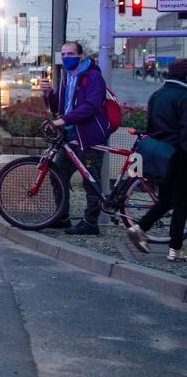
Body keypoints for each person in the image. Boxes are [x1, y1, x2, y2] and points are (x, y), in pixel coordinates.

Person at [39, 41, 111, 235]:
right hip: (69, 137)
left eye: (70, 53)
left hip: (89, 137)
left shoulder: (93, 77)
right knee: (57, 173)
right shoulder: (65, 77)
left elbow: (91, 106)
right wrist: (47, 93)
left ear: (80, 56)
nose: (66, 57)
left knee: (91, 182)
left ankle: (90, 223)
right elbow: (57, 107)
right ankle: (61, 217)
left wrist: (63, 121)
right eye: (63, 54)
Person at [126, 58, 187, 261]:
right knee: (182, 204)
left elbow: (152, 127)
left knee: (167, 200)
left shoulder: (157, 95)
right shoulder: (184, 97)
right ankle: (175, 249)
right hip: (179, 156)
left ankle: (139, 228)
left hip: (160, 155)